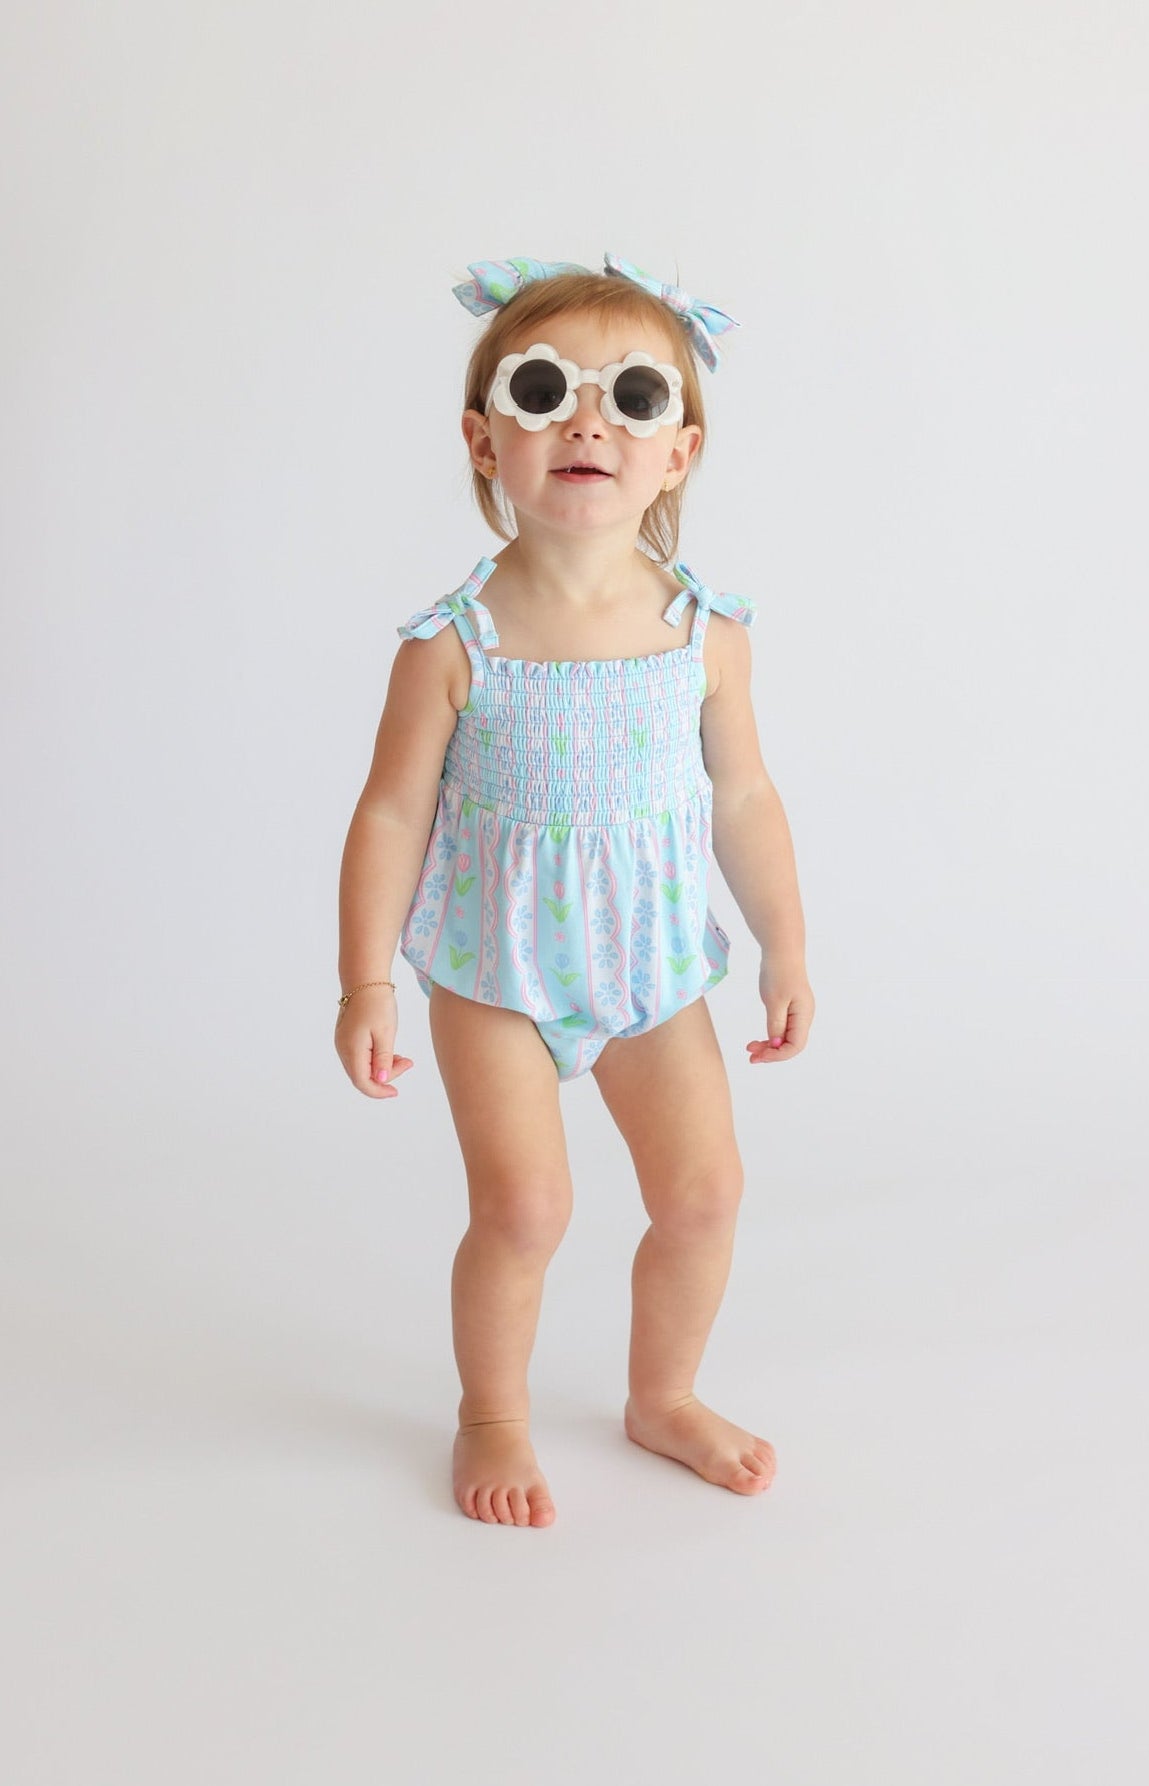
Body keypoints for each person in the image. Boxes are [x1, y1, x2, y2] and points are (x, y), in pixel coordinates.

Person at [335, 252, 815, 1528]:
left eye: (633, 397)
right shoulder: (454, 642)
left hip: (650, 967)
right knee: (524, 1208)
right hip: (494, 970)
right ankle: (491, 1411)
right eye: (543, 391)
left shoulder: (704, 635)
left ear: (679, 451)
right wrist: (364, 979)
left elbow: (744, 798)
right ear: (483, 440)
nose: (588, 423)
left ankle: (664, 1394)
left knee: (705, 1194)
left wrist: (783, 945)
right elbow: (390, 813)